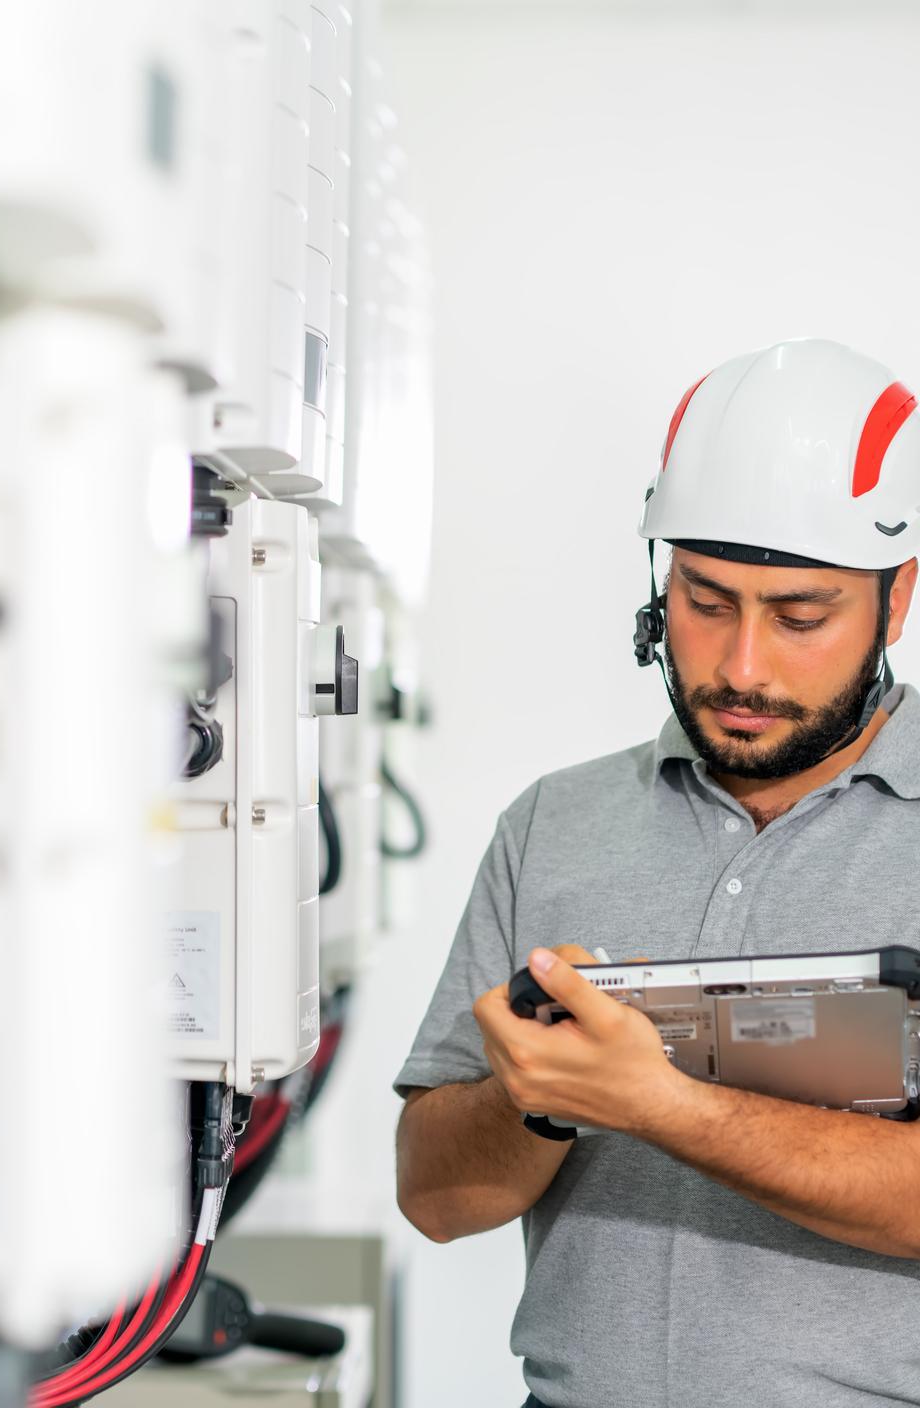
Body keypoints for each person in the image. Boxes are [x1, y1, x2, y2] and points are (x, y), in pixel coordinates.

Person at [394, 338, 920, 1408]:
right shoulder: (555, 822)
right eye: (704, 599)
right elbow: (434, 1197)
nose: (741, 666)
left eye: (801, 617)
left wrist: (656, 1102)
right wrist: (538, 1097)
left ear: (896, 599)